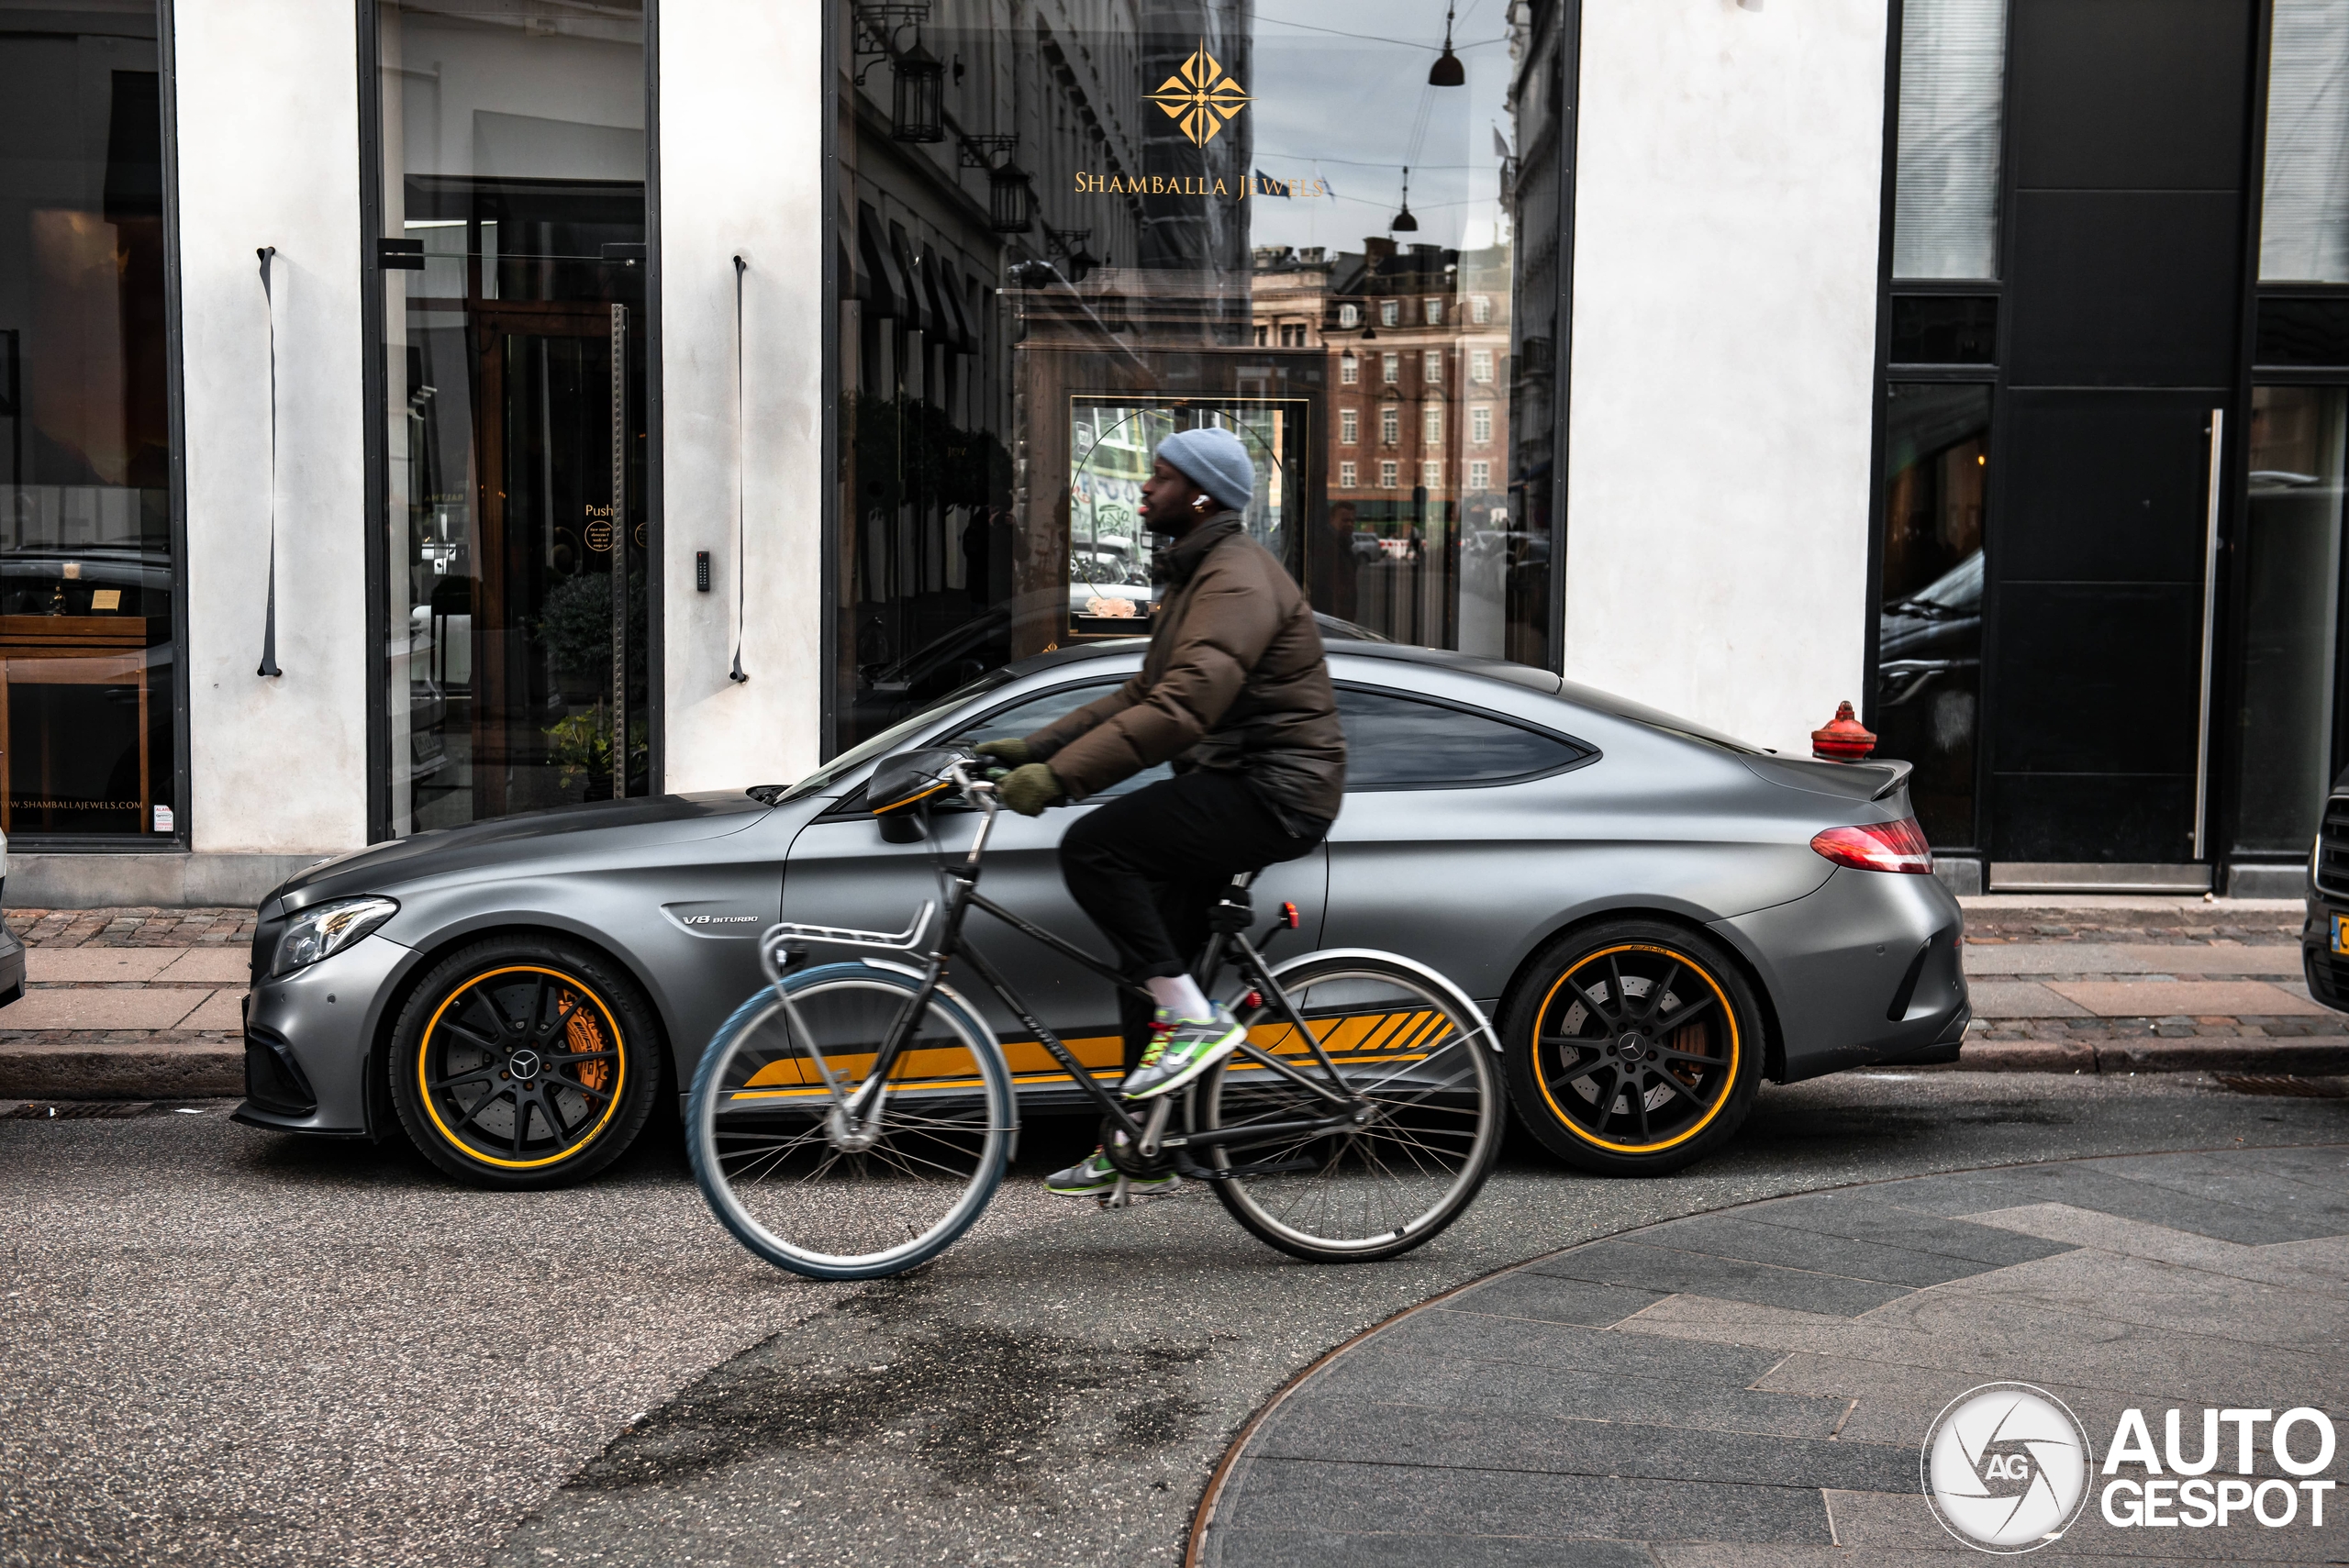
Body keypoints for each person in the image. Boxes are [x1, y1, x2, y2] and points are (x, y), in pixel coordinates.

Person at [973, 427, 1346, 1197]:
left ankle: (1198, 1026)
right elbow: (1141, 694)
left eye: (1160, 477)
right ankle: (1143, 1143)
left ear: (1202, 495)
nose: (1144, 488)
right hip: (1244, 778)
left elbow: (1181, 709)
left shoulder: (1237, 579)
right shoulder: (1201, 575)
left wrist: (1060, 782)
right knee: (1149, 962)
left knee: (1095, 847)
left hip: (1276, 787)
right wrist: (1034, 748)